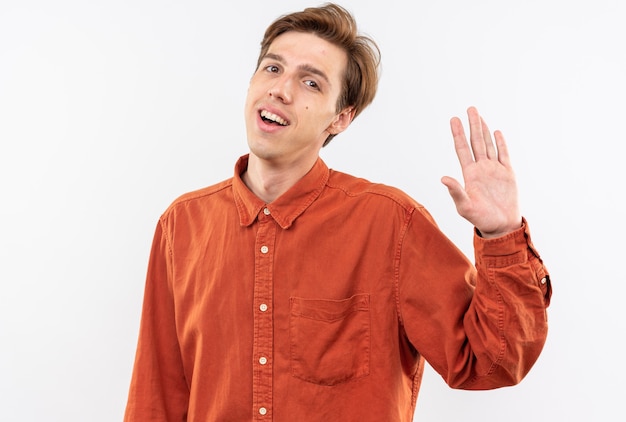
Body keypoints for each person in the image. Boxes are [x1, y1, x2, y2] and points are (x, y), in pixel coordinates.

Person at [123, 3, 551, 421]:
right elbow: (156, 396)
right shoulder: (182, 225)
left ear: (341, 118)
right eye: (273, 68)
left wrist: (501, 235)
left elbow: (490, 362)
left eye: (311, 83)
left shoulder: (390, 224)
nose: (281, 89)